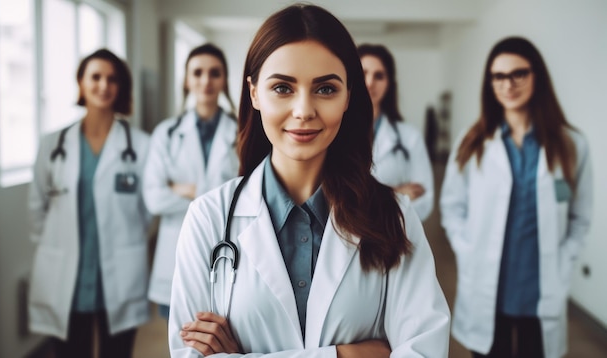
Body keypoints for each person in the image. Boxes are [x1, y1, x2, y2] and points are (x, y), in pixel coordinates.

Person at [169, 3, 450, 357]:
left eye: (326, 89)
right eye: (283, 88)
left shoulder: (393, 216)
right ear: (254, 93)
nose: (304, 111)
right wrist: (347, 355)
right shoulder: (208, 219)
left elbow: (424, 351)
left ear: (349, 96)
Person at [439, 36, 592, 358]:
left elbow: (579, 216)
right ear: (490, 83)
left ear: (537, 76)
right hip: (486, 287)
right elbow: (453, 207)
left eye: (517, 74)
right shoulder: (474, 142)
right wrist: (467, 250)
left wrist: (565, 261)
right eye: (498, 76)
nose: (507, 84)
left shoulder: (571, 145)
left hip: (540, 288)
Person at [28, 49, 151, 358]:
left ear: (121, 87)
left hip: (120, 268)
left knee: (117, 353)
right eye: (95, 77)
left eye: (112, 78)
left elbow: (147, 212)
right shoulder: (53, 144)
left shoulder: (141, 145)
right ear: (81, 83)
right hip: (66, 272)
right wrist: (53, 243)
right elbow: (37, 206)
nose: (103, 85)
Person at [143, 43, 239, 319]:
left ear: (224, 79)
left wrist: (184, 190)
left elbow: (250, 193)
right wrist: (212, 194)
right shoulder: (167, 133)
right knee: (180, 337)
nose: (205, 81)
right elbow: (153, 198)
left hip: (227, 246)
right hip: (176, 250)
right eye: (197, 73)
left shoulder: (242, 131)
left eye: (214, 73)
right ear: (186, 79)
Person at [357, 44, 435, 221]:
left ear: (389, 83)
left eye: (379, 76)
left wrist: (367, 203)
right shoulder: (333, 133)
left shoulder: (409, 137)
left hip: (392, 238)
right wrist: (395, 192)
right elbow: (327, 196)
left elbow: (423, 199)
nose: (370, 83)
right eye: (363, 74)